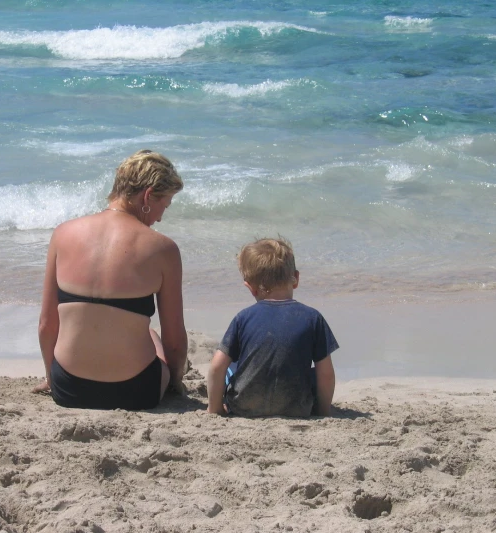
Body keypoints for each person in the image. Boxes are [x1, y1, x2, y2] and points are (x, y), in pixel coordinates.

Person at [33, 150, 188, 410]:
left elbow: (47, 324)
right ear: (148, 196)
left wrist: (52, 377)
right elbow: (173, 341)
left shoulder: (63, 234)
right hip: (137, 391)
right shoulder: (163, 249)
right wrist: (175, 383)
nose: (161, 217)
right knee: (151, 333)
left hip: (68, 389)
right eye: (165, 205)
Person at [207, 237, 338, 417]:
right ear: (296, 279)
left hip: (244, 407)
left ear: (250, 287)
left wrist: (214, 409)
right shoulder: (313, 318)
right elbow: (326, 374)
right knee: (314, 374)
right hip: (296, 408)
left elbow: (216, 367)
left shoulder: (243, 318)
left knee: (232, 366)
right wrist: (322, 412)